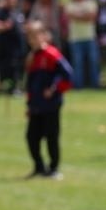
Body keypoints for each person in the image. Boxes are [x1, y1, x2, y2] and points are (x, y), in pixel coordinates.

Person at [23, 19, 73, 178]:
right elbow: (30, 84)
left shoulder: (52, 54)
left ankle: (54, 168)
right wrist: (29, 104)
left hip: (51, 105)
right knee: (32, 137)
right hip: (36, 105)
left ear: (44, 36)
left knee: (52, 137)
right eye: (29, 37)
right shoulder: (31, 58)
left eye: (35, 36)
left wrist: (54, 89)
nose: (32, 40)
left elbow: (68, 76)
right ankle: (39, 167)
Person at [64, 0, 100, 88]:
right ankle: (78, 86)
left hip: (90, 37)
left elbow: (92, 17)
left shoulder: (91, 2)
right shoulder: (69, 5)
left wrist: (77, 16)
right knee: (77, 64)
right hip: (74, 38)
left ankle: (95, 85)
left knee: (93, 62)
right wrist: (84, 16)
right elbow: (70, 15)